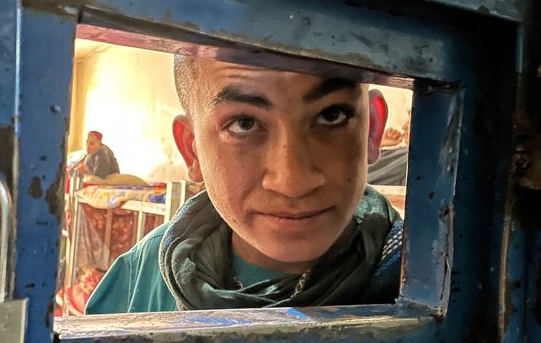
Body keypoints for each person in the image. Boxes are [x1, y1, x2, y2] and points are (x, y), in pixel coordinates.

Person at [86, 55, 402, 314]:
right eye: (244, 124)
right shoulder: (138, 277)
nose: (292, 182)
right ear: (192, 148)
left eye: (331, 115)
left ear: (372, 129)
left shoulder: (425, 273)